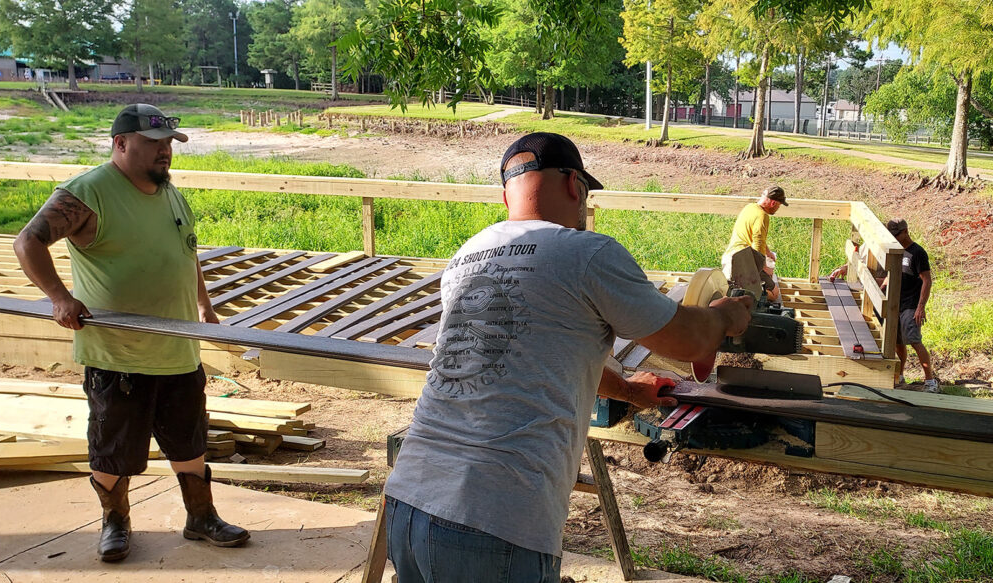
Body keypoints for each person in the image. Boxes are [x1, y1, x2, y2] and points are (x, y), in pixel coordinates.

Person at [383, 132, 753, 583]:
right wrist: (729, 314)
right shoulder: (586, 253)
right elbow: (690, 341)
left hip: (408, 502)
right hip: (494, 520)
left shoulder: (466, 257)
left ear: (506, 196)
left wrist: (627, 389)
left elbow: (537, 349)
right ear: (575, 186)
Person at [13, 104, 249, 562]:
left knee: (190, 441)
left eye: (168, 144)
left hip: (178, 348)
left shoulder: (169, 191)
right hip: (118, 354)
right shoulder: (89, 192)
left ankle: (201, 517)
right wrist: (61, 298)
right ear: (120, 144)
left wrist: (205, 305)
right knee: (112, 450)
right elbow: (28, 241)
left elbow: (186, 252)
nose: (164, 153)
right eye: (153, 144)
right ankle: (115, 522)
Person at [831, 219, 937, 392]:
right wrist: (875, 286)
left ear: (905, 231)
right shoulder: (894, 252)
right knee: (897, 343)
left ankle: (930, 381)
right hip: (896, 303)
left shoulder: (917, 253)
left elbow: (927, 280)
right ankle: (899, 376)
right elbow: (892, 277)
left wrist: (920, 307)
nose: (894, 239)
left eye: (896, 235)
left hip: (910, 304)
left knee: (914, 340)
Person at [722, 186, 788, 302]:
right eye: (778, 205)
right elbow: (758, 242)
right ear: (773, 203)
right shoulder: (762, 216)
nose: (778, 208)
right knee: (774, 294)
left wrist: (767, 253)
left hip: (730, 259)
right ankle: (742, 294)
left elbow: (756, 236)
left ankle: (739, 291)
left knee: (745, 290)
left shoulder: (750, 208)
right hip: (743, 265)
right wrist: (764, 267)